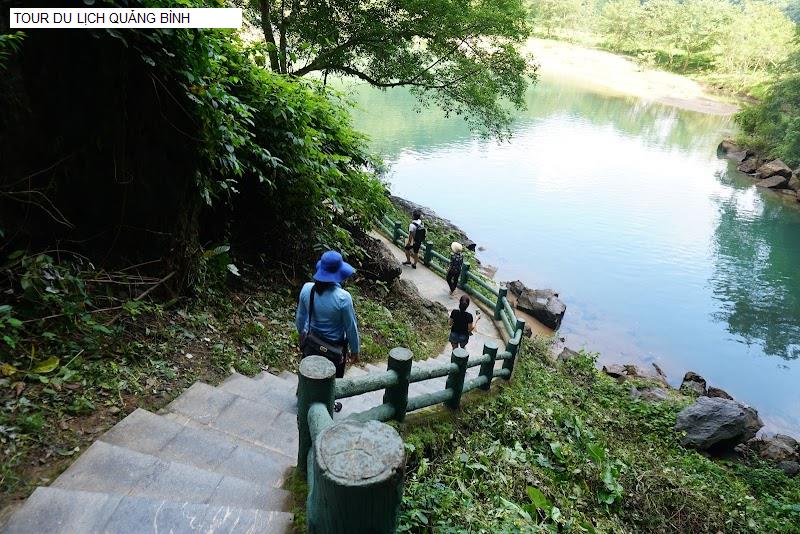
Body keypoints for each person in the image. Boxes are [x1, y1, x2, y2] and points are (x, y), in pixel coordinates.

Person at [295, 250, 360, 412]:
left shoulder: (307, 289)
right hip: (334, 347)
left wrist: (302, 334)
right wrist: (355, 350)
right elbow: (350, 327)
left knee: (308, 367)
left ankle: (302, 394)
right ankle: (328, 403)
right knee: (333, 377)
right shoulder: (343, 298)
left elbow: (300, 318)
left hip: (311, 342)